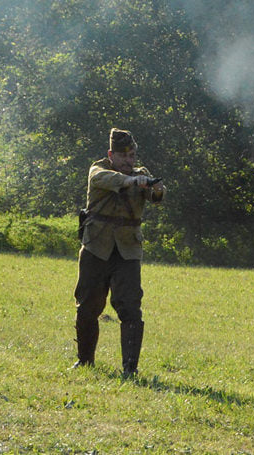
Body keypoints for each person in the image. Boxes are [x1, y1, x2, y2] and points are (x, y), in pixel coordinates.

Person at [72, 128, 165, 377]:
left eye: (132, 156)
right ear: (111, 154)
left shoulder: (142, 174)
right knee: (88, 305)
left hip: (128, 251)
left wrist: (156, 189)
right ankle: (85, 361)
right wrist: (129, 181)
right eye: (124, 156)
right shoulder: (98, 170)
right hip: (96, 248)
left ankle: (130, 369)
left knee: (131, 307)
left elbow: (156, 195)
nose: (129, 161)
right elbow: (107, 180)